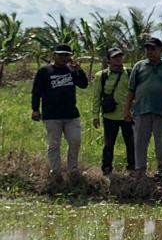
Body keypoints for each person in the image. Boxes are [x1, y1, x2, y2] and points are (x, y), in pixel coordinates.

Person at [123, 36, 162, 179]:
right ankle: (140, 169)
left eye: (153, 49)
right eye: (147, 49)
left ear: (161, 50)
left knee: (161, 141)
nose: (149, 51)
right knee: (140, 141)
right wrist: (127, 109)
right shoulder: (139, 66)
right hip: (141, 110)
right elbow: (131, 89)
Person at [31, 43, 88, 178]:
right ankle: (55, 172)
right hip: (51, 115)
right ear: (54, 55)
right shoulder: (44, 71)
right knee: (54, 145)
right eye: (61, 55)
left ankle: (72, 171)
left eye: (67, 55)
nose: (64, 57)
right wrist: (35, 109)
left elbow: (84, 85)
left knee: (75, 141)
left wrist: (79, 70)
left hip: (71, 114)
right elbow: (36, 91)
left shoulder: (71, 70)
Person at [92, 46, 134, 175]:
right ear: (108, 60)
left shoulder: (130, 73)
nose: (118, 60)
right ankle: (106, 168)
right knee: (109, 144)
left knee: (131, 143)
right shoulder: (102, 75)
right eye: (115, 57)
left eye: (120, 57)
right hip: (110, 116)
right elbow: (97, 96)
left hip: (128, 116)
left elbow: (135, 93)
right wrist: (95, 115)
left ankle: (132, 168)